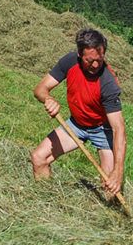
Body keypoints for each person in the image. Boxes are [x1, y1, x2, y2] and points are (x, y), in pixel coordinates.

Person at [31, 28, 127, 196]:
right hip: (76, 124)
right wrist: (48, 99)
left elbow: (118, 129)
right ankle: (45, 201)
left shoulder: (108, 83)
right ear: (79, 54)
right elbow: (40, 88)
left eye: (100, 59)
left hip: (102, 130)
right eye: (90, 60)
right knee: (39, 158)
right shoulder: (70, 62)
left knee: (109, 188)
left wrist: (118, 172)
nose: (96, 65)